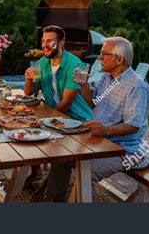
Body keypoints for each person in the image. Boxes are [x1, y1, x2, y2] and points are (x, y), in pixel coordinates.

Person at [45, 36, 149, 201]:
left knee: (85, 173)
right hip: (99, 141)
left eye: (104, 54)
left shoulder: (137, 86)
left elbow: (134, 125)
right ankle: (52, 200)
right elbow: (92, 101)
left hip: (123, 150)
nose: (99, 58)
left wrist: (105, 129)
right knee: (61, 157)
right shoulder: (107, 77)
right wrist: (83, 84)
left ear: (119, 59)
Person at [24, 25, 93, 196]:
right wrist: (28, 78)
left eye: (50, 41)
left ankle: (51, 194)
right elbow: (29, 92)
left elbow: (67, 103)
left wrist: (44, 119)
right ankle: (36, 172)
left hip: (77, 120)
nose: (45, 45)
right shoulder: (42, 62)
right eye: (43, 41)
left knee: (39, 133)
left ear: (61, 43)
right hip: (56, 116)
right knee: (25, 130)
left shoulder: (74, 64)